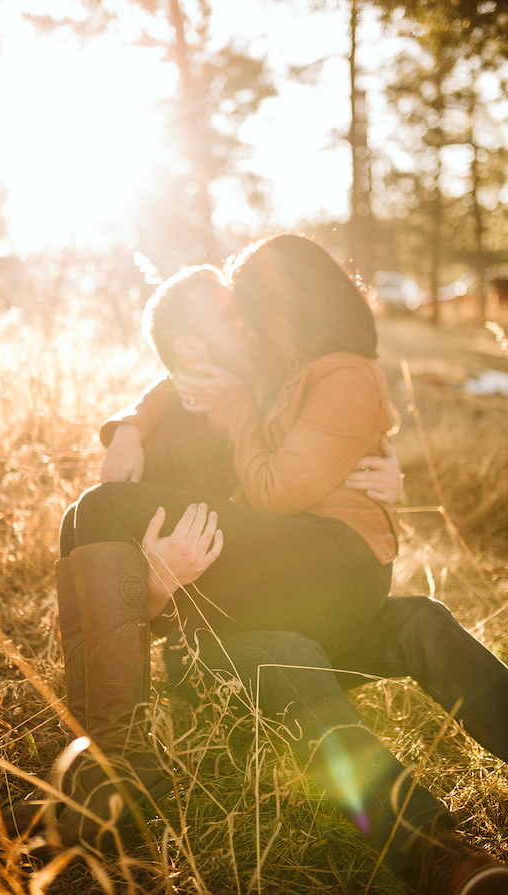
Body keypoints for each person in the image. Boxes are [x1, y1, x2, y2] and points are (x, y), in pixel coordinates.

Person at [45, 237, 508, 893]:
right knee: (102, 518)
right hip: (215, 654)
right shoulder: (171, 436)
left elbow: (320, 441)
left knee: (419, 621)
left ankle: (110, 769)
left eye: (245, 310)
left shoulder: (270, 391)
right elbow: (125, 612)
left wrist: (368, 468)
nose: (249, 320)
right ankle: (438, 855)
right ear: (195, 352)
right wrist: (155, 581)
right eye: (230, 315)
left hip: (304, 599)